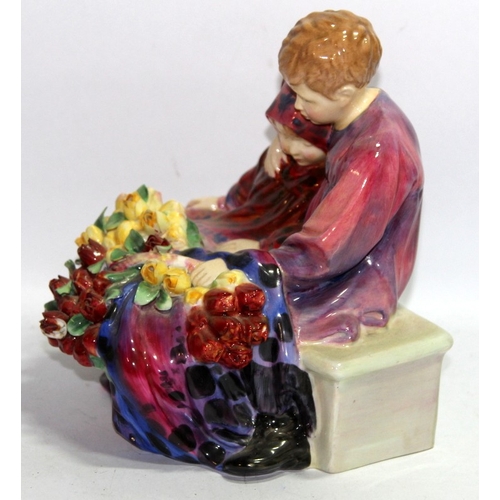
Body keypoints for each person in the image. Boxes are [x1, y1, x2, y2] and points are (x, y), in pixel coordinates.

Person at [192, 9, 424, 344]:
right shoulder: (353, 114)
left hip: (347, 284)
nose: (296, 106)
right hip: (311, 259)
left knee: (215, 313)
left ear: (344, 93)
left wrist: (244, 265)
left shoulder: (376, 153)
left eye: (306, 98)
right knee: (200, 247)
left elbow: (321, 254)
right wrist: (281, 141)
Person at [186, 82, 330, 252]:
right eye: (282, 134)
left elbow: (309, 233)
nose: (290, 148)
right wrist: (227, 204)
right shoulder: (282, 157)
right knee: (192, 226)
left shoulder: (326, 182)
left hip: (277, 243)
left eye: (305, 144)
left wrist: (262, 246)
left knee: (214, 248)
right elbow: (252, 183)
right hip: (248, 222)